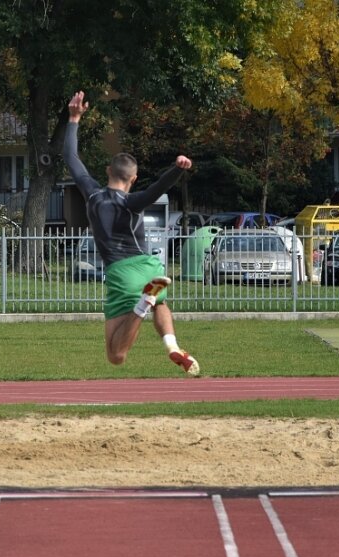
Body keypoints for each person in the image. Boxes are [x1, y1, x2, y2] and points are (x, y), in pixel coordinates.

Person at [63, 90, 200, 376]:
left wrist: (74, 118)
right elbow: (155, 190)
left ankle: (143, 304)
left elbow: (71, 157)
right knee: (161, 301)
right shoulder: (133, 202)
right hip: (150, 266)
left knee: (116, 355)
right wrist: (178, 169)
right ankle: (172, 345)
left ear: (107, 171)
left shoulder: (92, 194)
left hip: (121, 273)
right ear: (133, 178)